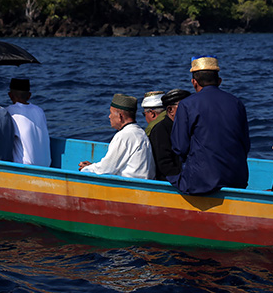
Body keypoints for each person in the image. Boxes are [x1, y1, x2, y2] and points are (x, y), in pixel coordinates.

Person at [169, 56, 250, 194]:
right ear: (219, 81)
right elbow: (245, 145)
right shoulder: (236, 103)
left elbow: (180, 147)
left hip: (202, 181)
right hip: (237, 178)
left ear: (194, 82)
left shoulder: (187, 104)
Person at [79, 94, 155, 179]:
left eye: (111, 113)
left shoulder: (124, 136)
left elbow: (106, 169)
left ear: (120, 116)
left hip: (131, 185)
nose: (109, 116)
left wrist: (86, 169)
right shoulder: (140, 132)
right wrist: (93, 166)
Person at [6, 77, 52, 166]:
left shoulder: (9, 111)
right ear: (29, 95)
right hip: (47, 165)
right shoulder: (39, 110)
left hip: (26, 166)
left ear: (10, 95)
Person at [148, 88, 190, 181]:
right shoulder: (160, 131)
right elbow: (164, 164)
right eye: (185, 107)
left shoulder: (188, 127)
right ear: (170, 110)